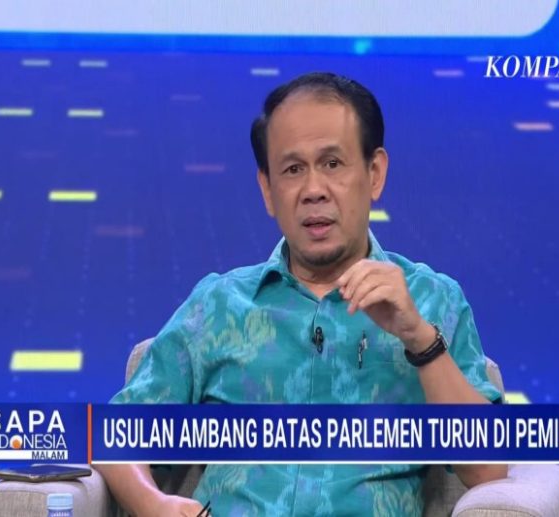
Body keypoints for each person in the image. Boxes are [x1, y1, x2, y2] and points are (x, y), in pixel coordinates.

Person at [96, 72, 507, 516]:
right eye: (293, 170)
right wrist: (156, 505)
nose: (313, 191)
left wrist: (420, 341)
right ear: (268, 190)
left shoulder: (431, 300)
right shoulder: (219, 305)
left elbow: (487, 470)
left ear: (374, 173)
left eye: (332, 164)